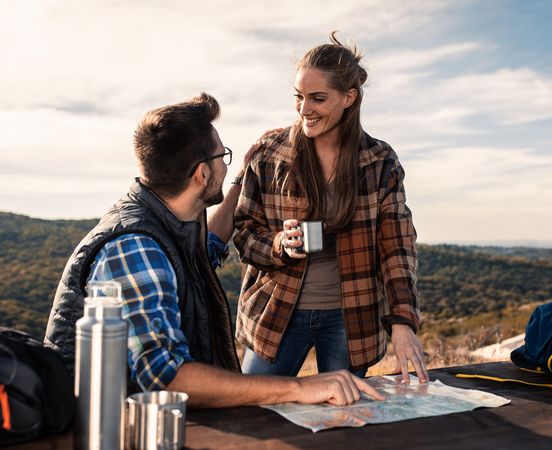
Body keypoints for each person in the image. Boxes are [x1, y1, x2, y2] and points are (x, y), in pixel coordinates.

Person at [44, 93, 382, 408]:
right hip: (107, 430)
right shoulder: (133, 247)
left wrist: (242, 174)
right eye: (223, 156)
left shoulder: (163, 223)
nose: (226, 163)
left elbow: (210, 250)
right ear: (202, 173)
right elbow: (165, 376)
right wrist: (299, 388)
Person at [234, 33, 429, 384]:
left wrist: (402, 322)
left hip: (351, 319)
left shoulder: (379, 161)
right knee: (253, 414)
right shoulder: (270, 153)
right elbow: (244, 231)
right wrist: (279, 244)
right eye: (299, 97)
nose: (305, 109)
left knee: (343, 420)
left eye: (317, 98)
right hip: (277, 314)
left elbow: (397, 247)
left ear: (349, 98)